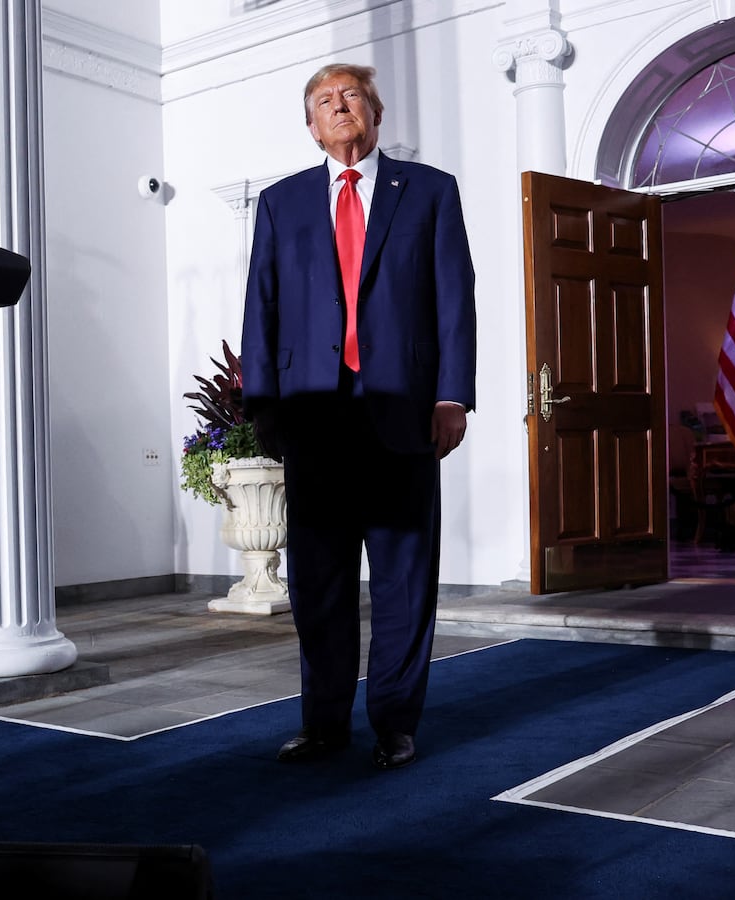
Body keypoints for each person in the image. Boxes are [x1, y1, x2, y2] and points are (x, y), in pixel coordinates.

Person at [240, 63, 476, 770]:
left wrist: (451, 395)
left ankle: (396, 722)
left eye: (351, 96)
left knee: (404, 577)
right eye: (324, 101)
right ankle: (324, 724)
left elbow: (454, 296)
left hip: (402, 413)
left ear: (376, 113)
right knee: (319, 581)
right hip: (314, 417)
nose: (339, 107)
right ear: (311, 125)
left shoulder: (430, 191)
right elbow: (262, 305)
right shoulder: (282, 203)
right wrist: (262, 407)